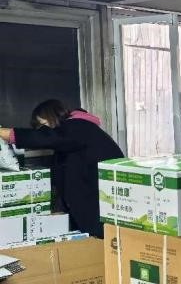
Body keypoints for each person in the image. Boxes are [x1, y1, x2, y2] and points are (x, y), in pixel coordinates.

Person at [0, 99, 124, 238]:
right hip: (91, 209)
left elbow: (47, 138)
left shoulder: (79, 126)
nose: (42, 131)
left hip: (104, 207)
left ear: (53, 116)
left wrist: (5, 133)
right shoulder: (68, 142)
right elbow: (63, 179)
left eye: (43, 126)